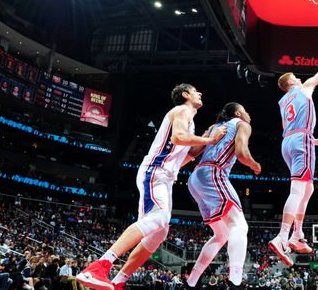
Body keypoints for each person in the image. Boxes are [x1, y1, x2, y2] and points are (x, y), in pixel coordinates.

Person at [77, 84, 226, 290]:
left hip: (165, 176)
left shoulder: (188, 121)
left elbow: (185, 156)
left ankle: (118, 282)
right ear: (185, 95)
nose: (200, 93)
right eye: (195, 90)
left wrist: (207, 142)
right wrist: (210, 139)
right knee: (160, 217)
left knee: (158, 234)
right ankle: (98, 266)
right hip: (155, 172)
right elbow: (178, 137)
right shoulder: (182, 110)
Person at [268, 42, 318, 265]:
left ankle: (297, 235)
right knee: (298, 190)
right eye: (296, 78)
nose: (300, 79)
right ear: (290, 83)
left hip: (289, 142)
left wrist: (311, 140)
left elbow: (288, 127)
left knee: (308, 188)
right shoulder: (303, 88)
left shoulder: (282, 101)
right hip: (301, 140)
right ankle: (282, 236)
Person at [186, 102, 261, 289]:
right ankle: (236, 280)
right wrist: (254, 164)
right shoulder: (242, 124)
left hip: (195, 178)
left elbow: (193, 152)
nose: (248, 114)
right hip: (213, 172)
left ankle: (191, 281)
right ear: (237, 113)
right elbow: (242, 153)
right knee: (239, 225)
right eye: (245, 110)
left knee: (222, 234)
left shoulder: (214, 127)